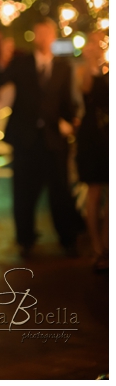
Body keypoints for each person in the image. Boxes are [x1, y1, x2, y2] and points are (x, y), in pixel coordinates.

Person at [0, 18, 80, 259]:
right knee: (23, 192)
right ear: (34, 36)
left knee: (60, 191)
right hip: (25, 139)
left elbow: (66, 102)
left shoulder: (63, 67)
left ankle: (68, 239)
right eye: (39, 34)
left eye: (47, 34)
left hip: (53, 139)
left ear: (53, 36)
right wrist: (2, 60)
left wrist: (70, 122)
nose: (43, 38)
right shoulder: (22, 63)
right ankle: (25, 241)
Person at [75, 30, 108, 271]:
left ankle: (107, 244)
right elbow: (86, 90)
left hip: (107, 137)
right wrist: (91, 61)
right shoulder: (84, 70)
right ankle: (97, 246)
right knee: (95, 193)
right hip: (92, 139)